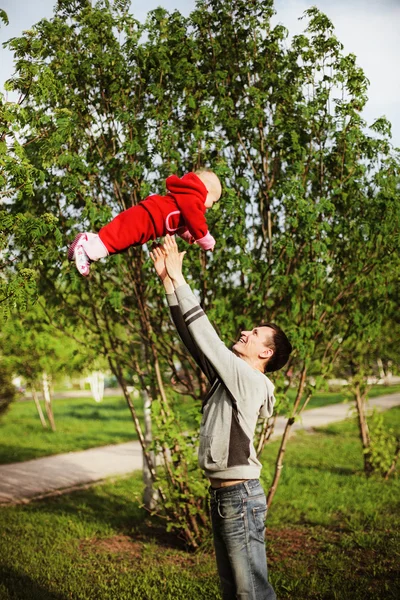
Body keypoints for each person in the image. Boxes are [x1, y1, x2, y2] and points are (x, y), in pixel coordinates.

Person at [150, 235, 292, 600]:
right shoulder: (229, 377)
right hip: (225, 497)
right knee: (235, 591)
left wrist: (180, 279)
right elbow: (193, 339)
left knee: (251, 592)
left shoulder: (250, 379)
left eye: (255, 333)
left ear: (266, 351)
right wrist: (167, 282)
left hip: (239, 497)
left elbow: (209, 339)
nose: (245, 332)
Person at [67, 169, 221, 276]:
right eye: (213, 201)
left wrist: (190, 236)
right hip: (146, 218)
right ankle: (86, 251)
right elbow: (196, 221)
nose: (211, 206)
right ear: (205, 190)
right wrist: (206, 240)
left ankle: (88, 240)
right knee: (117, 238)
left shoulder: (187, 199)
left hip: (148, 222)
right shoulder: (193, 198)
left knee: (120, 241)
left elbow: (182, 222)